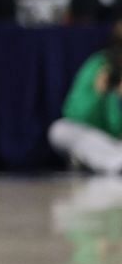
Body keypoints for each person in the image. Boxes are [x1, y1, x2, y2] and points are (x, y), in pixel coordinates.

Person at [48, 19, 122, 175]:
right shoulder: (99, 64)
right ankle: (113, 163)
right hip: (99, 140)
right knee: (59, 130)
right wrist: (98, 94)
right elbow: (73, 114)